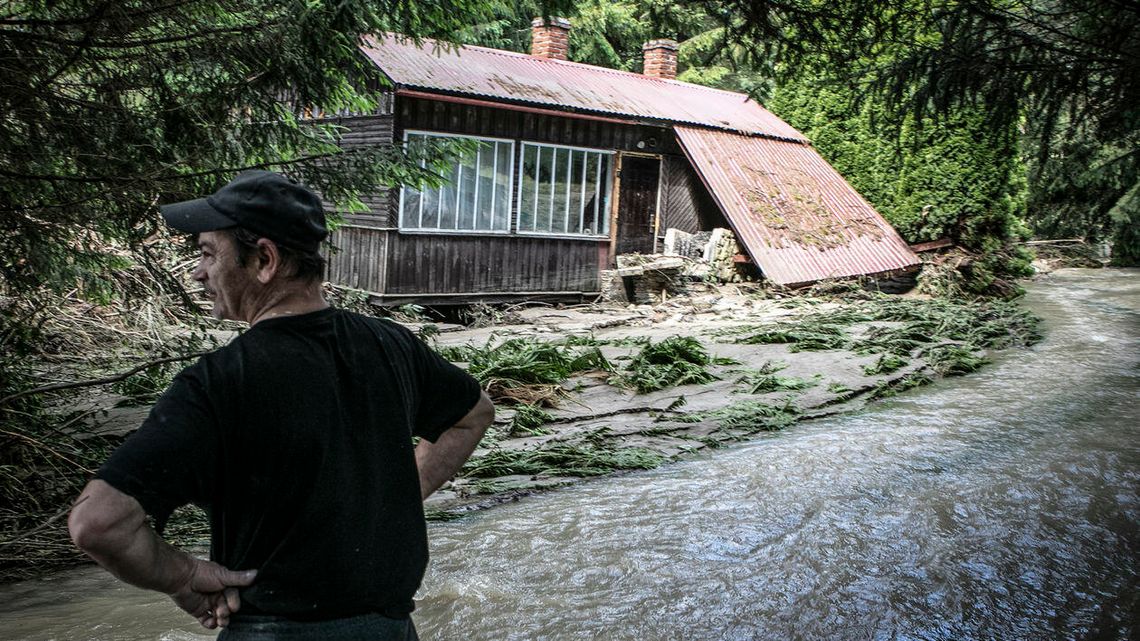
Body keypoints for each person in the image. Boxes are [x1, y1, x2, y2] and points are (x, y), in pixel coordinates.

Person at [68, 170, 494, 640]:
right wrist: (395, 497)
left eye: (209, 253)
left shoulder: (218, 382)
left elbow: (99, 523)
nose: (198, 271)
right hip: (391, 628)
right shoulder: (390, 345)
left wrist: (183, 576)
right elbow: (473, 415)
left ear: (264, 260)